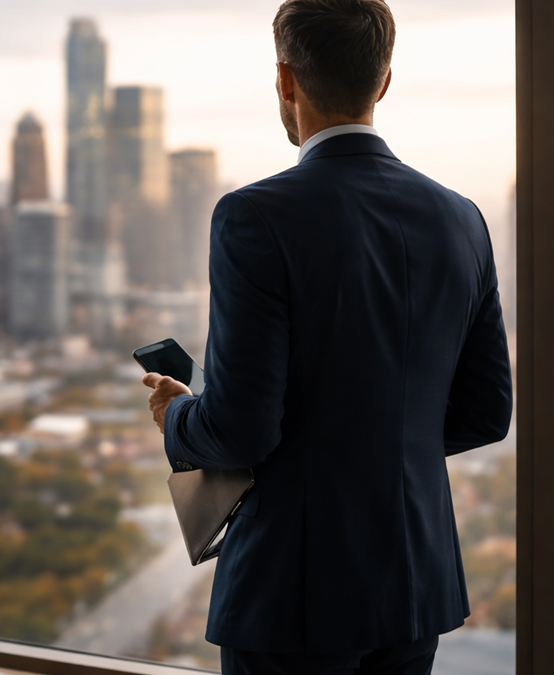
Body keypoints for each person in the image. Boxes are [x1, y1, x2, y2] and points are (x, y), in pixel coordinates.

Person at [141, 1, 514, 673]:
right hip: (411, 584)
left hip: (295, 591)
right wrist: (371, 440)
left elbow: (241, 428)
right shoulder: (462, 220)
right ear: (384, 81)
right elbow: (486, 411)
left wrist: (177, 416)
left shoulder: (254, 216)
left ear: (286, 81)